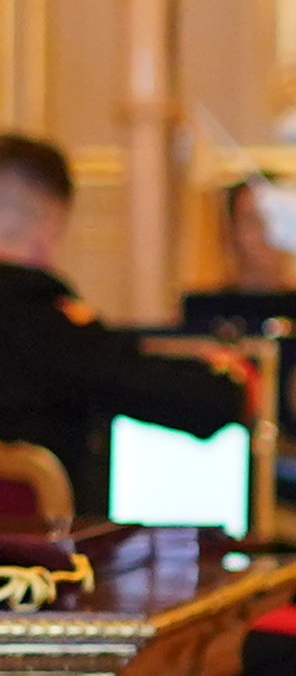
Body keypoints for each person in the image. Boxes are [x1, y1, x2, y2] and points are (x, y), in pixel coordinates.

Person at [0, 135, 249, 514]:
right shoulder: (37, 317)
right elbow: (171, 394)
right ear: (50, 226)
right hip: (30, 568)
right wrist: (230, 383)